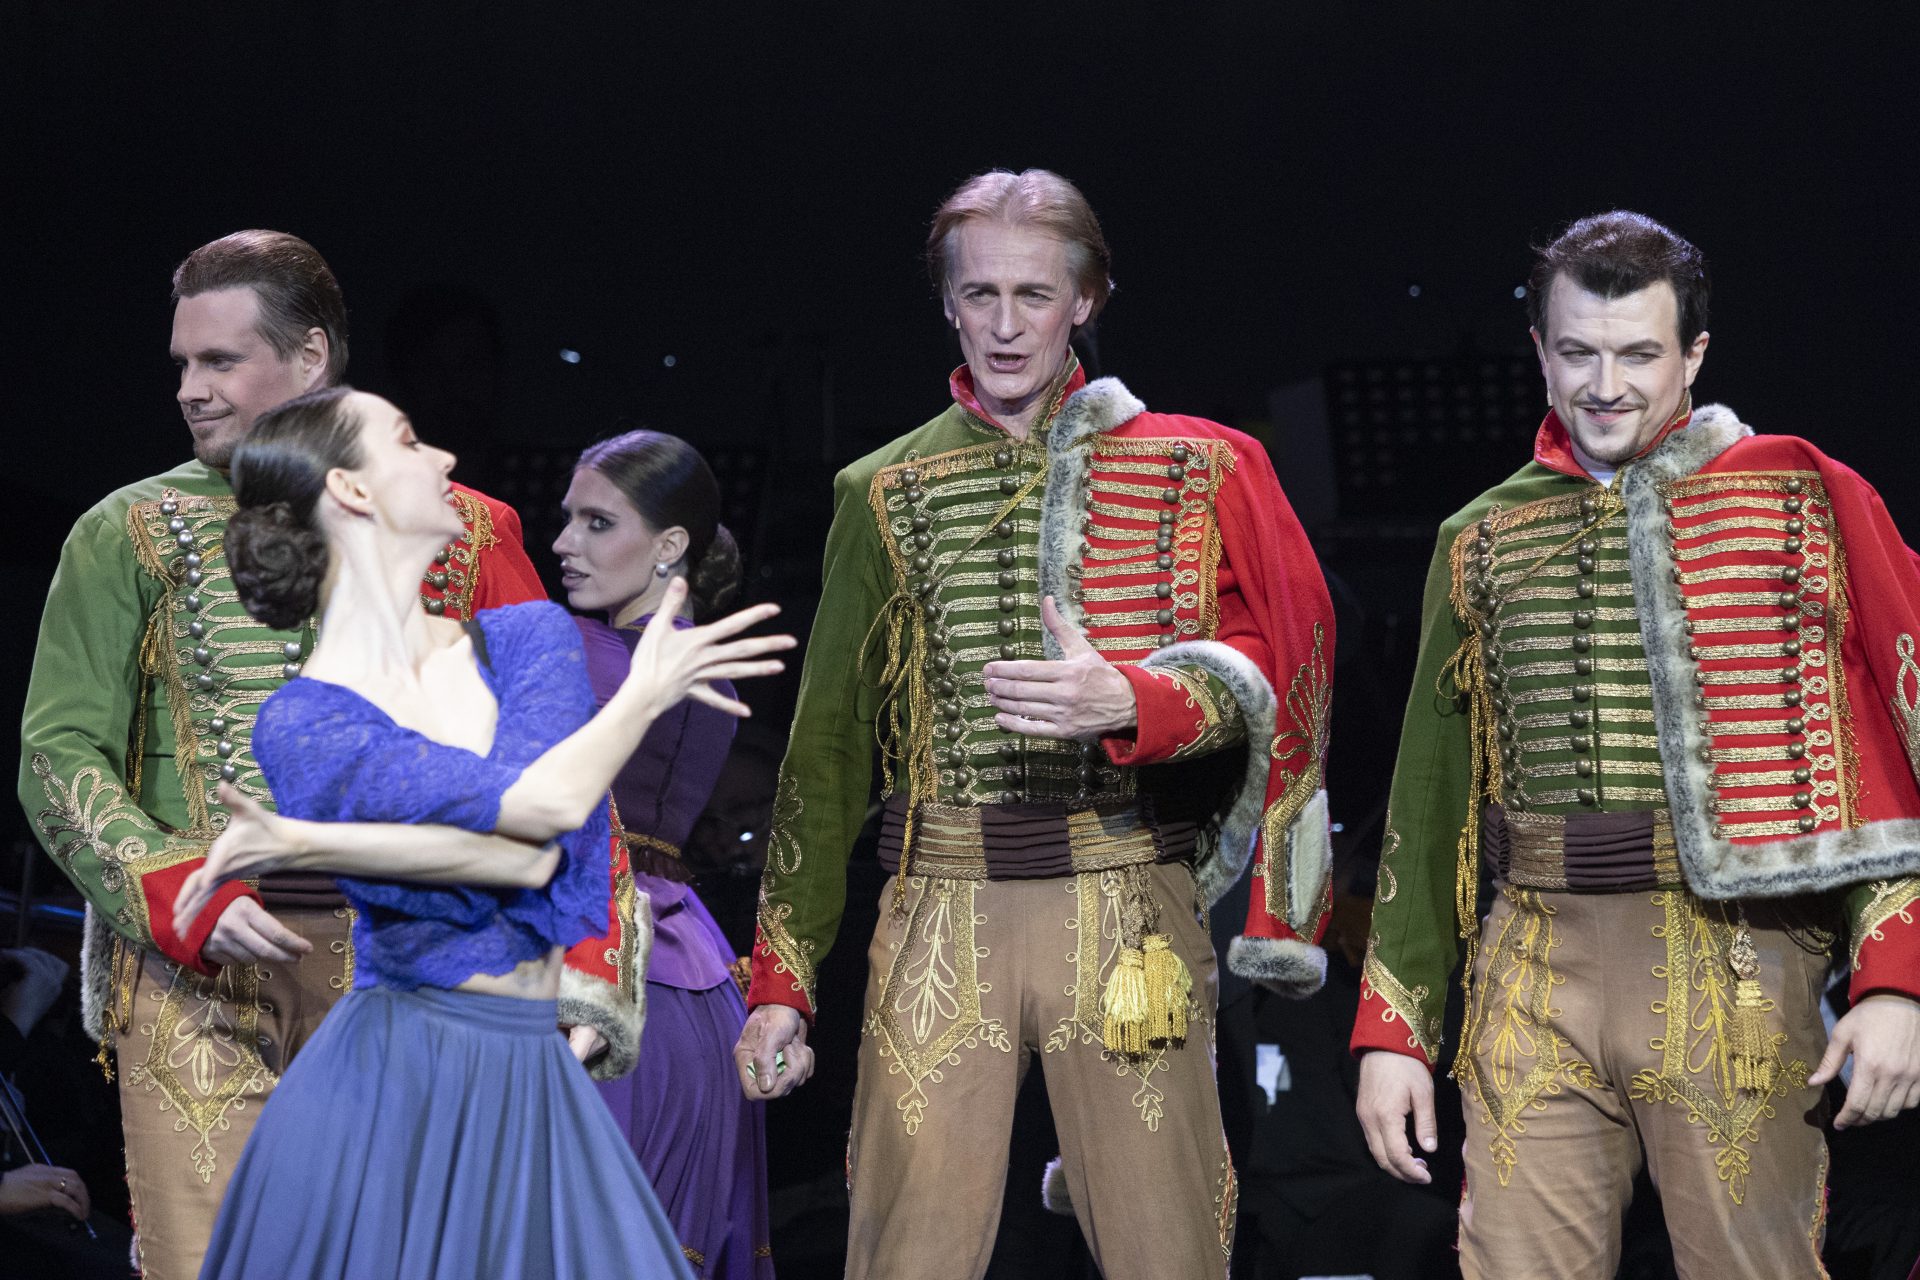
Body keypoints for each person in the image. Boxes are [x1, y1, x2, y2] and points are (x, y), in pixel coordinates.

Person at [734, 168, 1337, 1280]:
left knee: (1168, 1252)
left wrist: (1141, 701)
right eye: (981, 294)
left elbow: (1285, 667)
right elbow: (826, 748)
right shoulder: (883, 488)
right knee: (905, 1254)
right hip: (939, 903)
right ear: (948, 303)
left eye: (1034, 294)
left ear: (1086, 299)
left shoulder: (1199, 464)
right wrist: (782, 980)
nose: (1006, 325)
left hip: (1127, 898)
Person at [1353, 210, 1920, 1278]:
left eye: (1638, 355)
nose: (1604, 385)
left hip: (1738, 954)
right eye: (1578, 352)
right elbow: (1427, 803)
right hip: (1531, 959)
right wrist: (1394, 1031)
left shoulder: (1797, 497)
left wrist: (1898, 979)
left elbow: (1891, 737)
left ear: (1694, 354)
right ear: (1539, 349)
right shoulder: (1480, 537)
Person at [15, 229, 550, 1280]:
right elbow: (56, 751)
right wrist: (174, 889)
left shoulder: (464, 528)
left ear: (310, 358)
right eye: (183, 363)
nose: (191, 388)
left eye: (220, 360)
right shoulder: (126, 531)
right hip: (195, 973)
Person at [168, 384, 792, 1278]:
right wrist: (641, 698)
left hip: (531, 1076)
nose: (446, 458)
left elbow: (545, 846)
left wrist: (311, 845)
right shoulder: (303, 722)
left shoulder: (531, 640)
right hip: (392, 1074)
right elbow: (530, 824)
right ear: (351, 489)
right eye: (409, 440)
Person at [553, 428, 774, 1278]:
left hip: (597, 972)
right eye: (568, 519)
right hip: (698, 989)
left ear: (669, 544)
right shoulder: (713, 669)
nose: (564, 543)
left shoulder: (576, 651)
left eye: (597, 523)